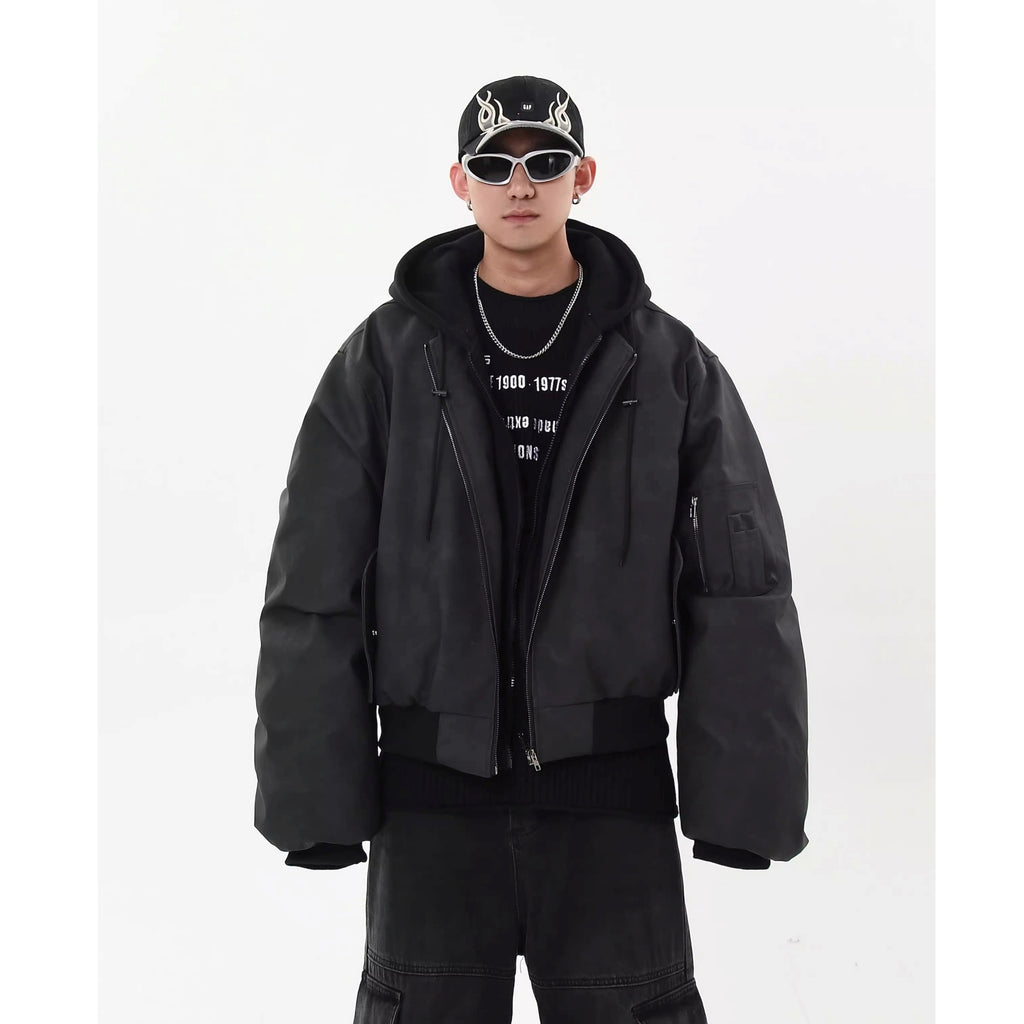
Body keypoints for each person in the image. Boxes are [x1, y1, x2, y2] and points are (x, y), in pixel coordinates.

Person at [253, 75, 809, 1024]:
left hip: (611, 811)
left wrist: (742, 804)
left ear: (582, 177)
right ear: (460, 183)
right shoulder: (384, 360)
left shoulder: (668, 363)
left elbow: (740, 588)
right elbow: (315, 579)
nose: (520, 184)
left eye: (545, 162)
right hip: (429, 808)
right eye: (494, 164)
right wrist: (316, 802)